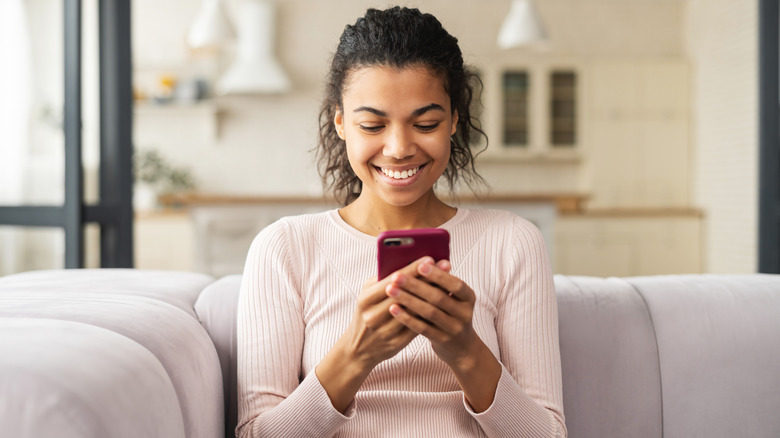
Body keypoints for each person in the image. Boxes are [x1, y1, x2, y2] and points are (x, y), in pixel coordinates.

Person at [236, 6, 566, 437]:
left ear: (453, 121)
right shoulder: (284, 248)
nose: (398, 148)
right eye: (372, 125)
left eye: (425, 123)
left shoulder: (512, 243)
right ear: (340, 123)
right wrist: (357, 354)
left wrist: (466, 351)